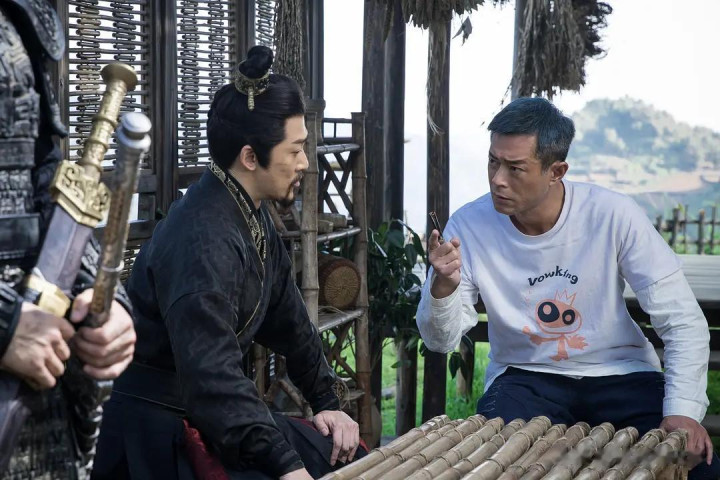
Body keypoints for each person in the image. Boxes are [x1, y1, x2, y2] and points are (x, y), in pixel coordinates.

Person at [93, 46, 363, 480]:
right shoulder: (201, 240)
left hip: (209, 414)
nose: (304, 163)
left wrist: (327, 402)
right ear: (250, 157)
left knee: (341, 455)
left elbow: (290, 320)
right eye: (295, 150)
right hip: (157, 434)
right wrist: (286, 466)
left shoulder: (249, 212)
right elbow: (212, 376)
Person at [416, 97, 720, 479]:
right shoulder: (468, 225)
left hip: (621, 373)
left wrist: (683, 411)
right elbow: (440, 341)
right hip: (524, 377)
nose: (497, 179)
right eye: (493, 161)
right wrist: (443, 286)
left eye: (515, 168)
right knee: (495, 468)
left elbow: (682, 320)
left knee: (694, 470)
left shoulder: (612, 214)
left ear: (556, 171)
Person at [0, 0, 136, 477]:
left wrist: (102, 303)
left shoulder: (20, 14)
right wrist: (4, 325)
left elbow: (38, 182)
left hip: (42, 394)